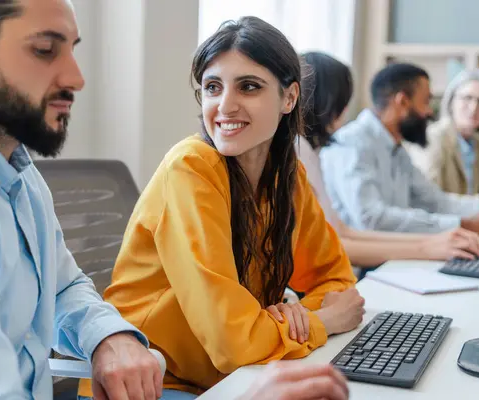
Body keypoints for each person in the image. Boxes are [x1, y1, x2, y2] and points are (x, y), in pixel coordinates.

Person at [78, 16, 363, 398]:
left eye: (248, 86)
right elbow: (234, 344)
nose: (225, 106)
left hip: (235, 376)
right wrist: (318, 321)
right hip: (155, 384)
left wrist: (291, 317)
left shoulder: (287, 177)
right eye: (213, 87)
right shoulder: (191, 168)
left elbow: (338, 281)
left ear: (289, 97)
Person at [0, 1, 164, 399]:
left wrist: (107, 336)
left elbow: (60, 285)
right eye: (44, 50)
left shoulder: (15, 168)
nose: (77, 77)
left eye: (72, 48)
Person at [298, 52, 479, 267]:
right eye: (342, 103)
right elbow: (366, 222)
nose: (428, 112)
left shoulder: (396, 148)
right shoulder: (343, 144)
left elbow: (340, 231)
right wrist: (434, 243)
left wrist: (443, 238)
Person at [320, 63, 479, 239]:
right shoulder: (352, 143)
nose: (429, 112)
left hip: (391, 255)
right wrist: (466, 225)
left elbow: (435, 201)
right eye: (426, 101)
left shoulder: (397, 150)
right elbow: (371, 218)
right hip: (354, 270)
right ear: (402, 102)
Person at [406, 68, 479, 198]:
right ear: (451, 102)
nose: (473, 108)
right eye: (467, 98)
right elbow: (428, 200)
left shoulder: (476, 143)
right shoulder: (433, 138)